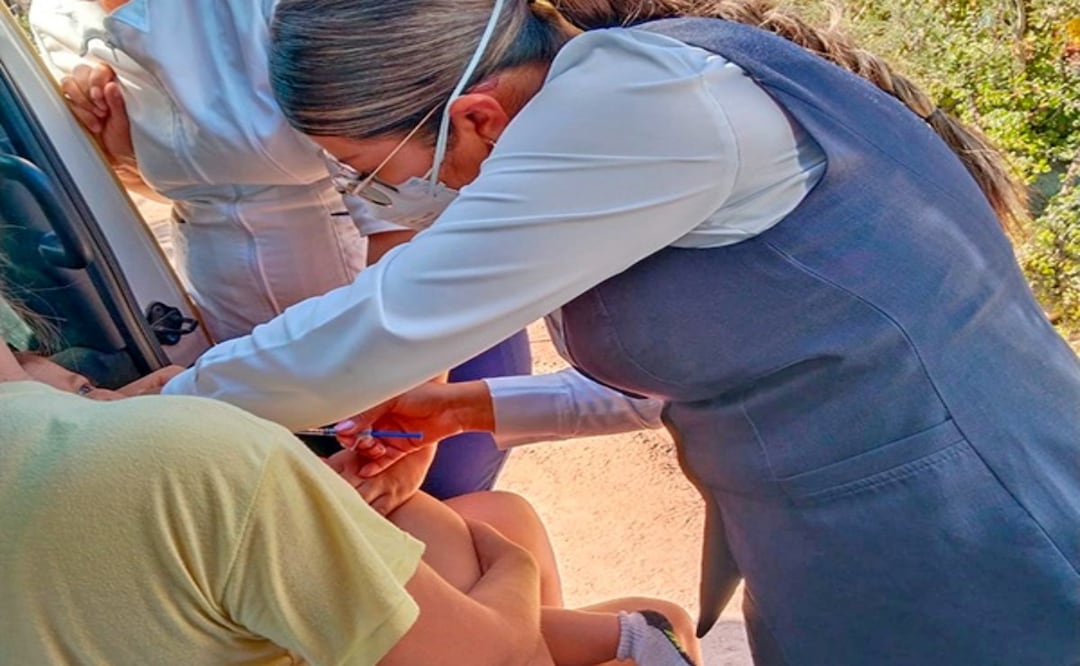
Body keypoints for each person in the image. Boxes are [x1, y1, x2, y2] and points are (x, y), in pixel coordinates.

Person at [150, 0, 1080, 663]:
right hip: (843, 539)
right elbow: (690, 380)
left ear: (474, 116)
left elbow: (376, 324)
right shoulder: (633, 108)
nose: (383, 204)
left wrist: (135, 419)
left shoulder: (637, 103)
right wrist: (458, 407)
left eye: (373, 173)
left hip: (971, 528)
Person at [28, 0, 538, 499]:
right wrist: (120, 155)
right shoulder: (58, 18)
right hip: (241, 331)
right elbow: (194, 190)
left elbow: (402, 219)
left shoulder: (276, 13)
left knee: (443, 507)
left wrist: (406, 420)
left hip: (419, 327)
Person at [0, 306, 702, 665]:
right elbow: (491, 657)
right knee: (654, 617)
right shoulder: (192, 463)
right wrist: (510, 569)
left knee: (500, 514)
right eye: (84, 389)